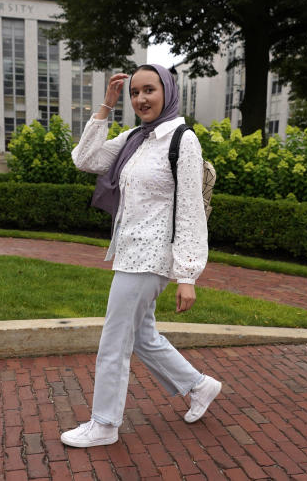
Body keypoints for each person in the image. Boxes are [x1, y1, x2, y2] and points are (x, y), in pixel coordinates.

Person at [61, 64, 222, 448]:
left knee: (114, 340)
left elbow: (189, 210)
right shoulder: (137, 137)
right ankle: (198, 386)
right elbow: (85, 159)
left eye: (149, 90)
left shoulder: (181, 140)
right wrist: (105, 107)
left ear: (167, 90)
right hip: (130, 252)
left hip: (151, 257)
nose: (141, 99)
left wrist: (187, 275)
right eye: (134, 93)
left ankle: (104, 423)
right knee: (142, 335)